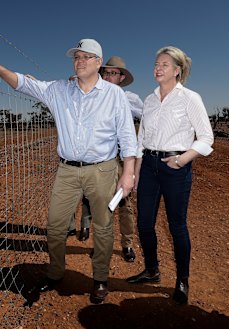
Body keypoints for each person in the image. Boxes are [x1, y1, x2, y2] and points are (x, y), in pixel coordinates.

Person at [0, 38, 138, 304]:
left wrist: (128, 173)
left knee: (102, 226)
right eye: (76, 57)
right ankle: (55, 272)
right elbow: (23, 83)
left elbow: (127, 135)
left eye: (86, 57)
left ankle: (100, 279)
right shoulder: (59, 90)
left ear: (99, 63)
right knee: (55, 225)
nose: (79, 61)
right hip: (67, 171)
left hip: (101, 170)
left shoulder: (115, 95)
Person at [126, 46, 214, 305]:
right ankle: (152, 270)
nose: (158, 68)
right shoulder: (150, 100)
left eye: (164, 64)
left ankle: (182, 280)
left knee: (177, 226)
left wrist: (184, 158)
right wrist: (136, 173)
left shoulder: (190, 98)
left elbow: (206, 136)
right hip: (149, 167)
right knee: (144, 223)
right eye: (156, 63)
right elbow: (142, 139)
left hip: (176, 167)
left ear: (177, 71)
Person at [68, 56, 143, 263]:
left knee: (124, 203)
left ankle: (127, 244)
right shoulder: (93, 94)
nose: (110, 76)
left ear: (121, 78)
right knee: (97, 201)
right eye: (107, 72)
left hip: (121, 161)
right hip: (99, 159)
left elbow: (148, 118)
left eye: (115, 73)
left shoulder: (130, 99)